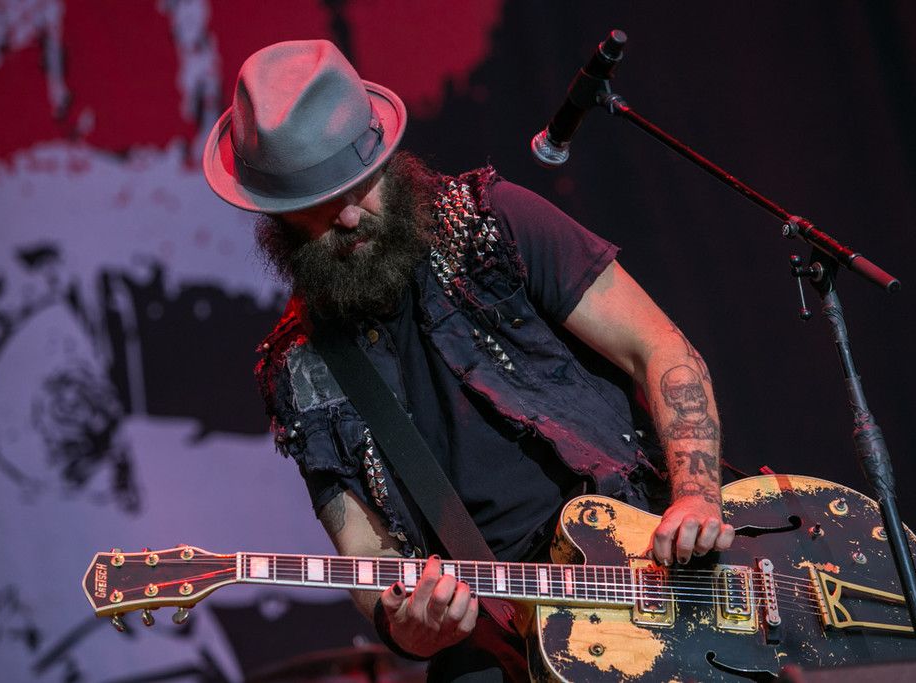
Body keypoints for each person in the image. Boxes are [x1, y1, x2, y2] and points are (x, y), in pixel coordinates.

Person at [203, 40, 734, 681]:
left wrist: (697, 498)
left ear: (386, 156)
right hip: (498, 642)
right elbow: (365, 551)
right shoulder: (298, 367)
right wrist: (410, 626)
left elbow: (659, 347)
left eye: (359, 184)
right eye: (317, 203)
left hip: (641, 567)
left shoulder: (490, 221)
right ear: (277, 218)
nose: (348, 215)